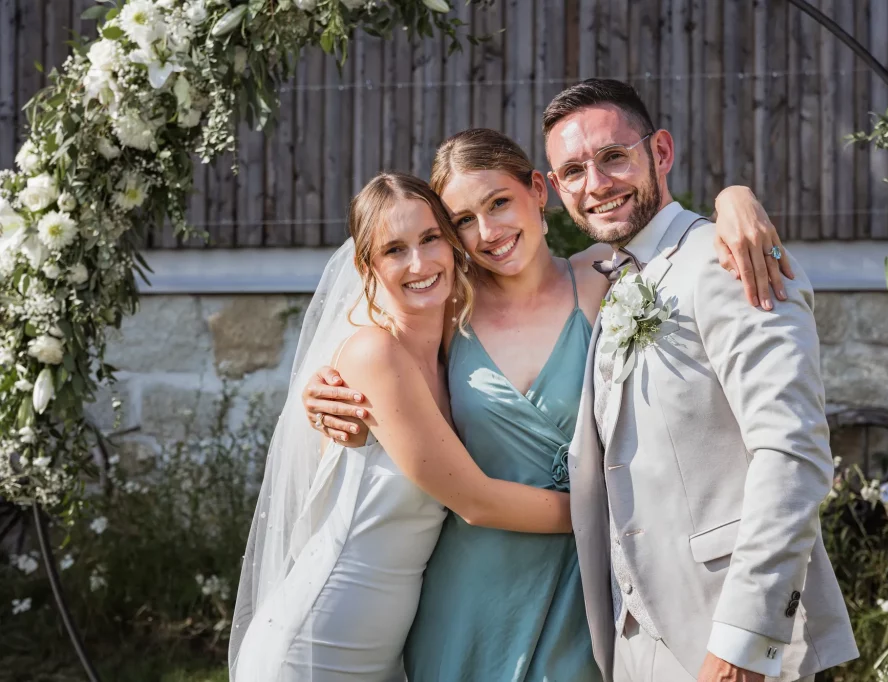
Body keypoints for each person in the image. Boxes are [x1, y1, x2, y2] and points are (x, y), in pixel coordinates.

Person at [301, 127, 790, 679]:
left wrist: (735, 198)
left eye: (499, 203)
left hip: (584, 587)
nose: (488, 232)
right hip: (471, 589)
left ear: (539, 189)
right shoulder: (446, 308)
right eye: (463, 221)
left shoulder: (603, 278)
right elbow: (370, 357)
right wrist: (321, 395)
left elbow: (672, 235)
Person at [542, 80, 859, 681]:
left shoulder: (731, 257)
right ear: (556, 188)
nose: (597, 184)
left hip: (729, 641)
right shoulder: (609, 281)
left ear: (660, 152)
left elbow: (793, 453)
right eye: (574, 171)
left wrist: (743, 643)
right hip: (638, 648)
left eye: (614, 156)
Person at [229, 172, 578, 682]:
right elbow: (474, 501)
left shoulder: (450, 346)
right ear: (366, 266)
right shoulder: (375, 353)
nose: (419, 263)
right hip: (320, 639)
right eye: (394, 250)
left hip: (389, 646)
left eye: (430, 238)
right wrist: (605, 511)